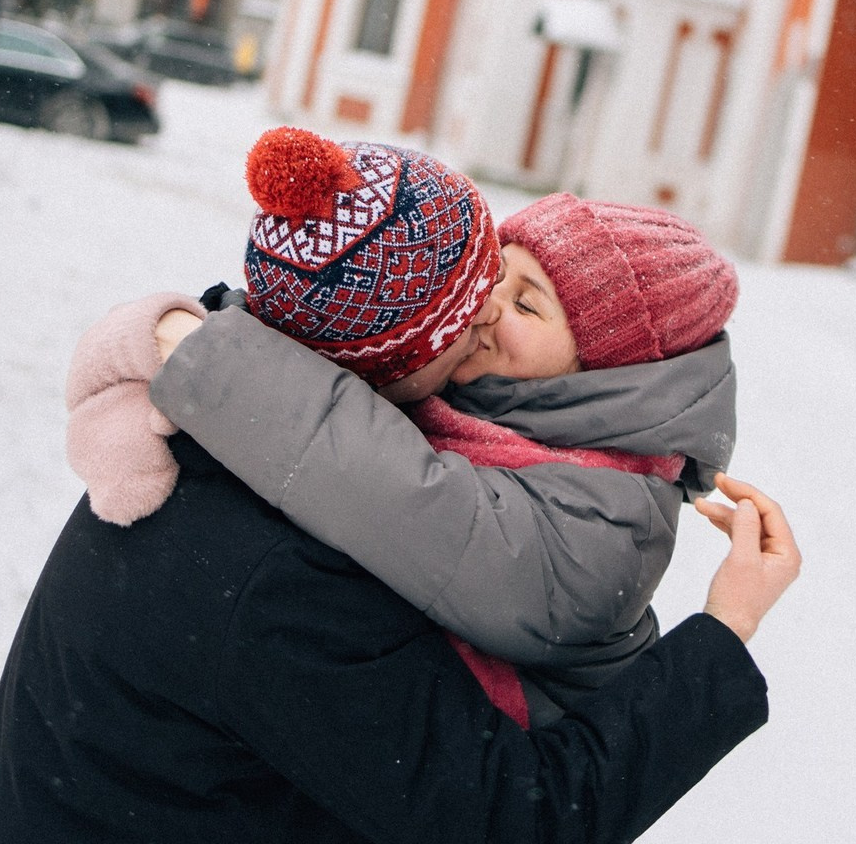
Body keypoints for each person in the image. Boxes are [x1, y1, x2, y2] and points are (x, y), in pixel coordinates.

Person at [72, 127, 743, 725]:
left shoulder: (614, 523)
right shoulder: (484, 398)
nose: (485, 305)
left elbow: (391, 488)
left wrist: (201, 355)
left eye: (526, 306)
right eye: (497, 273)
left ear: (603, 366)